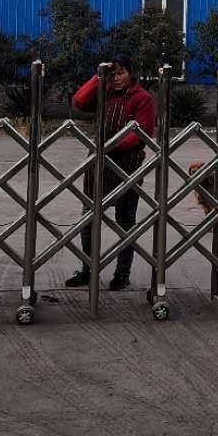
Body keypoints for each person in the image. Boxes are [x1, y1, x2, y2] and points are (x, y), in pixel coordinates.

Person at [64, 56, 157, 290]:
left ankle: (122, 274)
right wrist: (98, 76)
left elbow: (143, 132)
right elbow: (79, 101)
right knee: (88, 219)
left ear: (130, 73)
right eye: (112, 74)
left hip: (127, 164)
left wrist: (112, 146)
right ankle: (87, 269)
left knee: (125, 221)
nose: (116, 78)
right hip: (98, 164)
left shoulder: (142, 98)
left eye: (120, 73)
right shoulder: (103, 93)